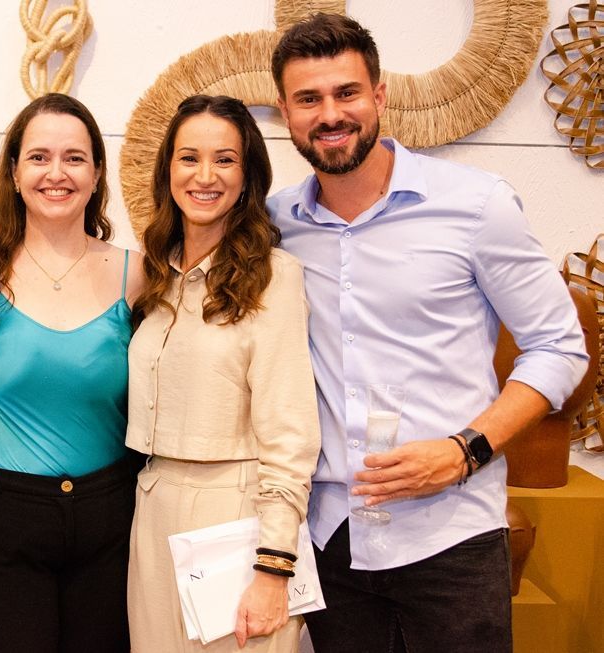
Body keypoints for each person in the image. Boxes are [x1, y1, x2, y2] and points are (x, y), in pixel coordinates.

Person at [267, 13, 590, 653]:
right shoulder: (276, 225)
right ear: (285, 113)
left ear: (380, 95)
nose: (330, 114)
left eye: (346, 92)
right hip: (332, 537)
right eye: (308, 99)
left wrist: (465, 449)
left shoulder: (476, 205)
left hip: (451, 537)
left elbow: (559, 347)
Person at [0, 92, 144, 653]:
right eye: (39, 157)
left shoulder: (138, 275)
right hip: (0, 520)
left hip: (111, 520)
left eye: (75, 158)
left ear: (97, 174)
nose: (56, 173)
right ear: (15, 172)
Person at [126, 94, 321, 652]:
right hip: (153, 505)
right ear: (168, 170)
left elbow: (290, 433)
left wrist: (274, 566)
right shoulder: (156, 273)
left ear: (248, 175)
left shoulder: (274, 277)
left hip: (237, 515)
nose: (205, 176)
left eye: (225, 160)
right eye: (189, 158)